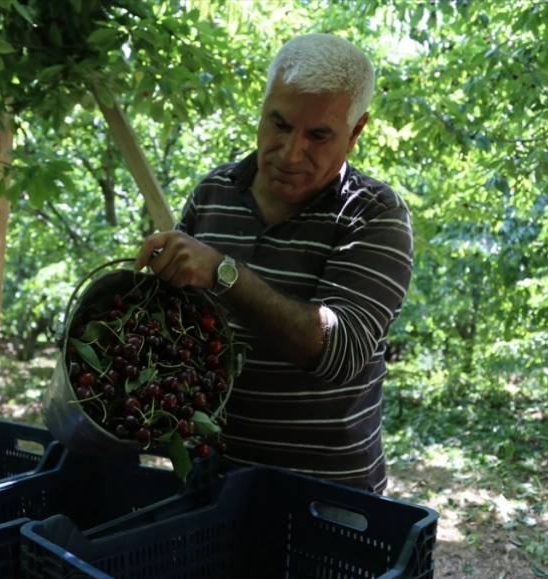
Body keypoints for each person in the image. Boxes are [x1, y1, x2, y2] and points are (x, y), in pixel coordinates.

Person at [134, 34, 412, 494]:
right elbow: (176, 325)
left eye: (318, 135)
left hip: (326, 498)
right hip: (215, 484)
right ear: (262, 109)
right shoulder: (213, 194)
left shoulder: (374, 214)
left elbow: (340, 353)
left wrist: (225, 273)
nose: (290, 152)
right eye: (278, 125)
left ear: (356, 131)